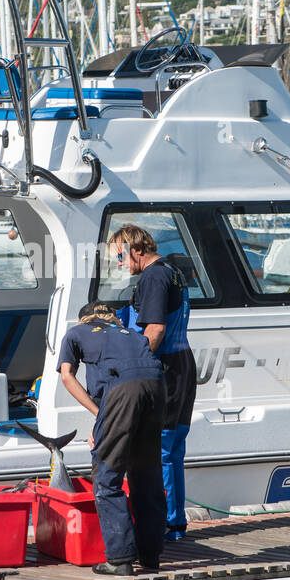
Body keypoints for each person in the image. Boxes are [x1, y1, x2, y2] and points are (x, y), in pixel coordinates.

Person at [58, 302, 167, 576]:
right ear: (113, 317)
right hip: (156, 387)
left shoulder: (77, 332)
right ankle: (150, 555)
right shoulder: (129, 332)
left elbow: (66, 376)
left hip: (123, 390)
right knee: (146, 473)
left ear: (84, 318)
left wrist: (99, 414)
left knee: (107, 475)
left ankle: (119, 559)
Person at [109, 224, 196, 542]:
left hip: (164, 368)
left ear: (136, 249)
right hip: (183, 363)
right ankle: (174, 523)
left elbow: (155, 330)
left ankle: (164, 523)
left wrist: (135, 368)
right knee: (172, 449)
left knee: (159, 449)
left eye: (120, 256)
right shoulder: (173, 269)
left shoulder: (153, 276)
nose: (119, 264)